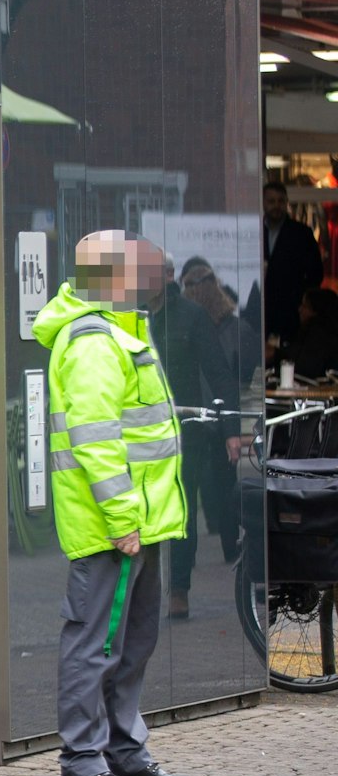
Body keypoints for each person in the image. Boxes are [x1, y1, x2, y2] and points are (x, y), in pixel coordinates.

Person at [33, 231, 198, 776]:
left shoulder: (122, 331)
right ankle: (82, 764)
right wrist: (124, 518)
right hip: (112, 528)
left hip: (135, 524)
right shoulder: (93, 341)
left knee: (132, 642)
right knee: (95, 646)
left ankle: (124, 753)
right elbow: (96, 441)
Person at [148, 263, 236, 617]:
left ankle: (179, 588)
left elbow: (219, 372)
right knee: (148, 510)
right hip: (142, 431)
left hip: (185, 431)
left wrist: (231, 430)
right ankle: (149, 587)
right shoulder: (131, 317)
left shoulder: (191, 315)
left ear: (167, 276)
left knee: (182, 509)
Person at [263, 181, 324, 340]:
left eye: (281, 201)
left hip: (291, 310)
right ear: (263, 203)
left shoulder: (301, 233)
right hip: (262, 310)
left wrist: (301, 300)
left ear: (286, 203)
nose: (276, 206)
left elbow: (315, 272)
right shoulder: (254, 232)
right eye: (271, 201)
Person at [281, 288, 338, 380]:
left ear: (316, 311)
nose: (300, 309)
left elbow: (304, 369)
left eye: (305, 306)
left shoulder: (318, 335)